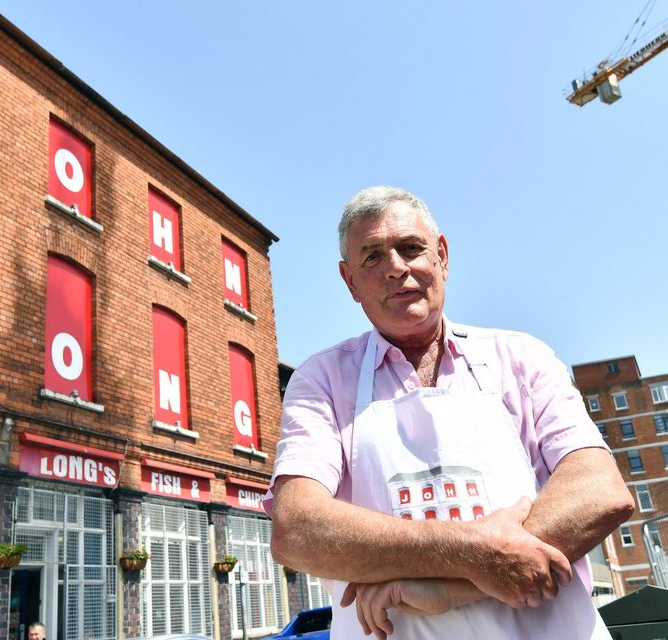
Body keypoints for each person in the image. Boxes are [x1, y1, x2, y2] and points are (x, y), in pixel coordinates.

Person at [266, 186, 634, 639]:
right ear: (349, 282)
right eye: (372, 257)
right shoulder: (320, 381)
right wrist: (473, 553)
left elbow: (600, 491)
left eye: (410, 248)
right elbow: (298, 529)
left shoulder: (520, 357)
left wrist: (452, 586)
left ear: (441, 255)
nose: (396, 268)